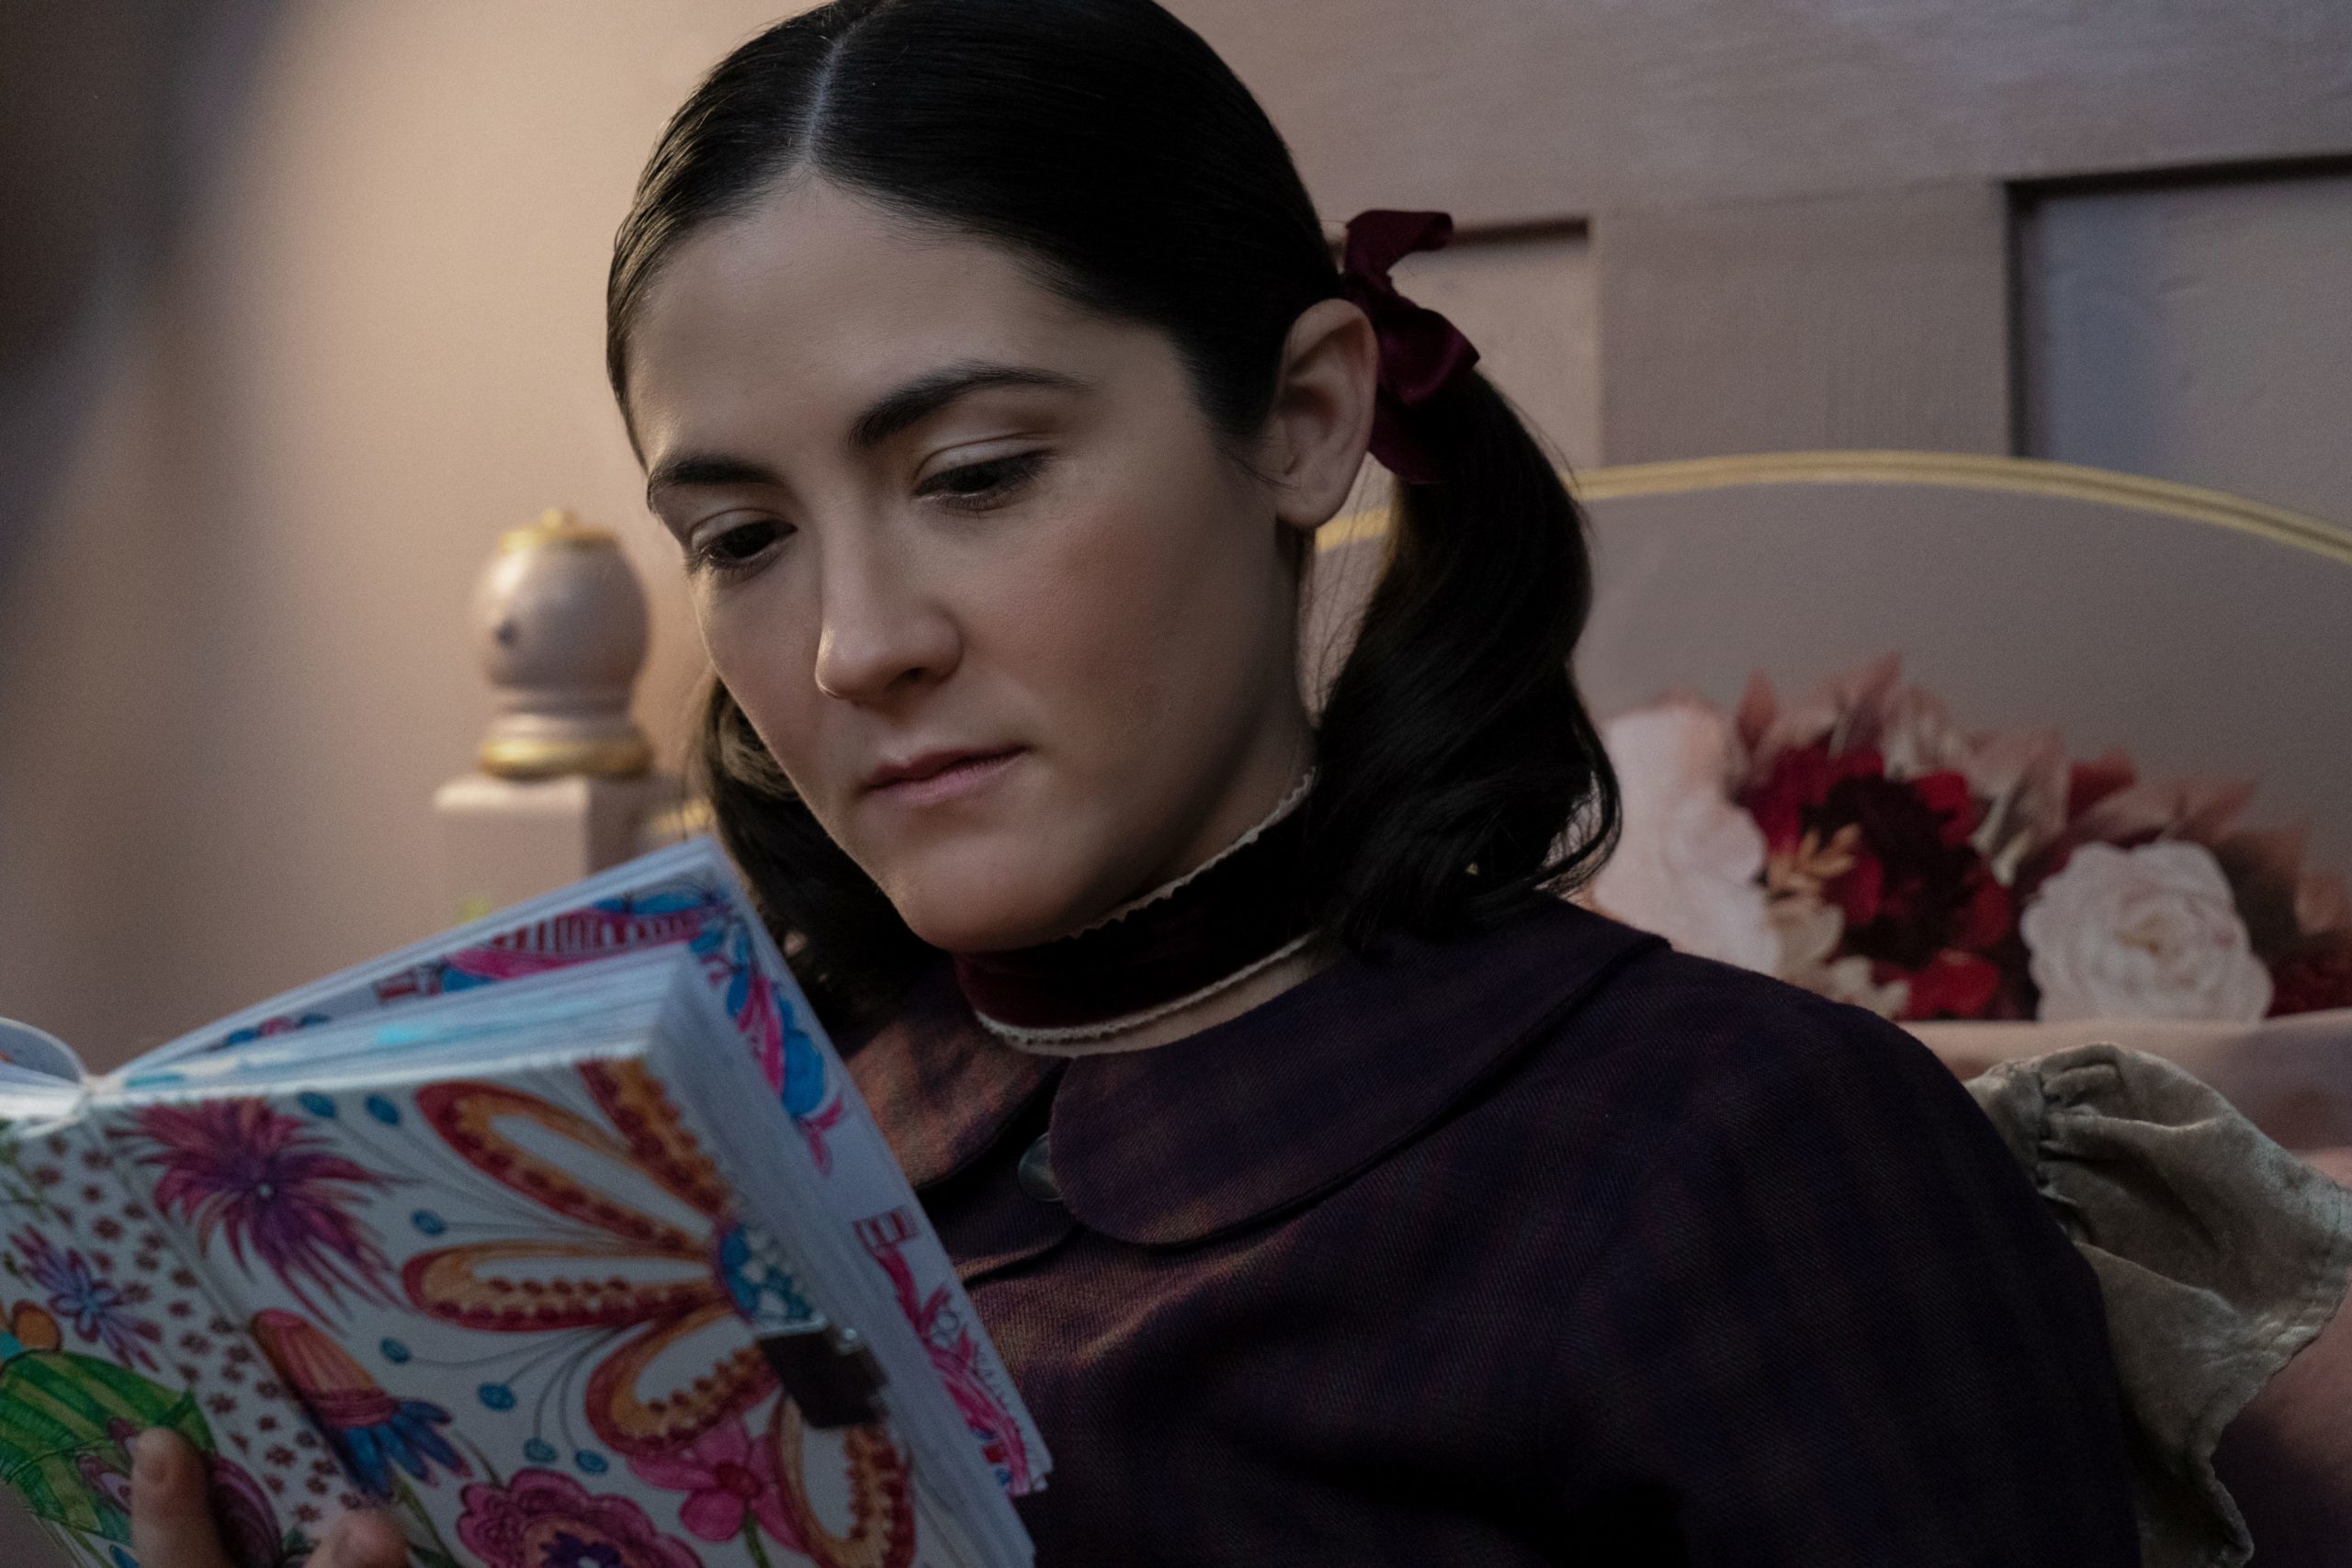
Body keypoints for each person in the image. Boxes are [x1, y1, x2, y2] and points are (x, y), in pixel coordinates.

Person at [134, 1, 2143, 1562]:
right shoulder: (670, 1191)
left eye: (976, 474)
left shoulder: (1737, 1156)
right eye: (742, 537)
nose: (851, 646)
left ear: (1305, 418)